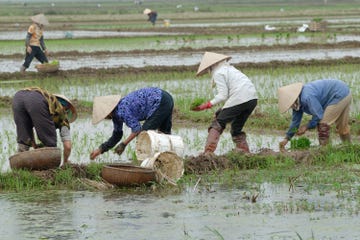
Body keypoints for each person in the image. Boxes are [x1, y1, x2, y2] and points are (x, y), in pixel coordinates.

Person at [191, 52, 258, 154]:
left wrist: (207, 105)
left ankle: (208, 153)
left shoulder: (218, 73)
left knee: (217, 124)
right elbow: (232, 99)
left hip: (240, 98)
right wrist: (221, 110)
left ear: (211, 66)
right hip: (252, 99)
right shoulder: (230, 69)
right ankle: (245, 153)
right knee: (236, 128)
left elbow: (223, 95)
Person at [90, 87, 174, 160]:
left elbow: (137, 129)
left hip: (160, 101)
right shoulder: (116, 115)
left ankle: (150, 161)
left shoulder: (122, 109)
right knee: (164, 134)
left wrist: (124, 144)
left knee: (143, 135)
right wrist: (100, 150)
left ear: (108, 112)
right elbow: (117, 135)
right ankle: (169, 158)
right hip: (166, 98)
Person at [278, 79, 352, 151]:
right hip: (344, 92)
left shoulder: (307, 97)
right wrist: (286, 139)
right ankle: (349, 148)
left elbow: (318, 115)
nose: (291, 107)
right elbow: (295, 122)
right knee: (342, 127)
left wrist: (306, 126)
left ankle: (324, 150)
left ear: (292, 99)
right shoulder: (297, 103)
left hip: (338, 95)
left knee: (323, 124)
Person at [12, 87, 77, 164]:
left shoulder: (47, 103)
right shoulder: (62, 115)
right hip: (36, 100)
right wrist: (65, 161)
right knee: (50, 145)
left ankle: (19, 170)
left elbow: (27, 127)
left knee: (24, 142)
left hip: (18, 97)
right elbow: (68, 146)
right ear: (66, 108)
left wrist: (34, 144)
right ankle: (49, 169)